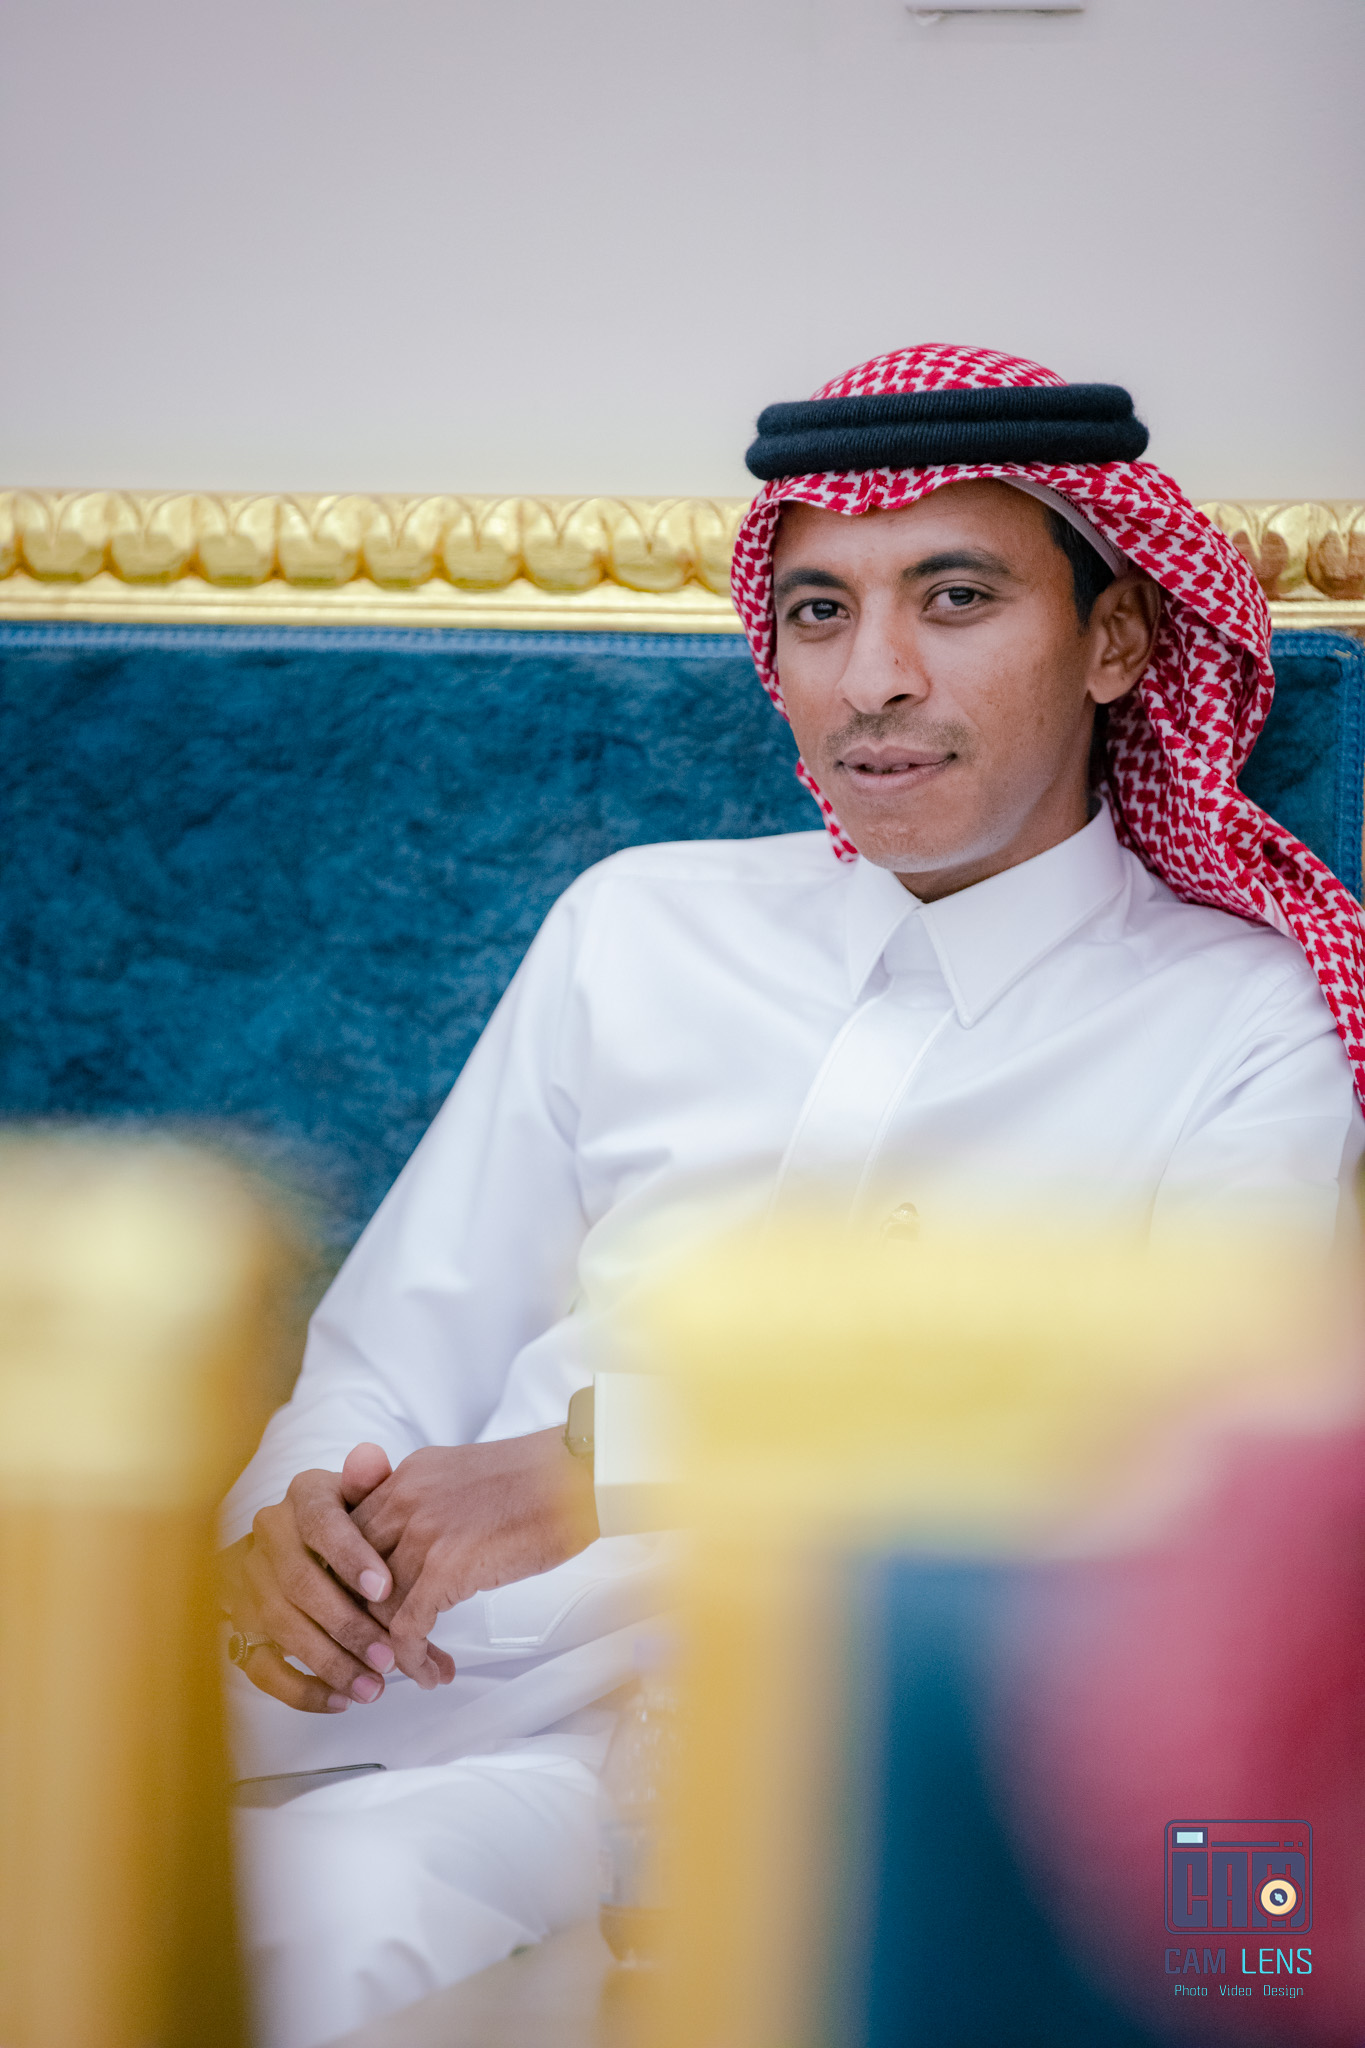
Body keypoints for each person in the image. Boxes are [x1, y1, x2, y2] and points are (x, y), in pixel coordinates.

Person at [220, 344, 1365, 2047]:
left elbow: (1181, 1461)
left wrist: (602, 1468)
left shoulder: (1244, 1017)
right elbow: (397, 1347)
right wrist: (298, 1528)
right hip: (486, 1719)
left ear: (1118, 639)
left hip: (911, 1772)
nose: (871, 679)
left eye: (955, 598)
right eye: (820, 613)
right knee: (286, 1951)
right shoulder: (636, 926)